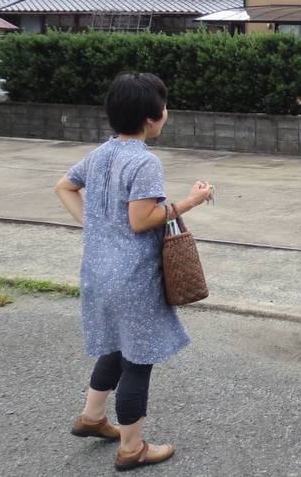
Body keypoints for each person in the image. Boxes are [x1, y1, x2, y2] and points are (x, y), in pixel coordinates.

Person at [55, 72, 214, 471]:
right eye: (163, 105)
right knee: (138, 361)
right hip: (132, 278)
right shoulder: (144, 161)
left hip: (97, 272)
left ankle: (92, 417)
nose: (166, 111)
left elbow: (63, 187)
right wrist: (192, 201)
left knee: (115, 345)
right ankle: (132, 447)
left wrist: (95, 226)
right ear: (151, 117)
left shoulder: (102, 153)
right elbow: (144, 220)